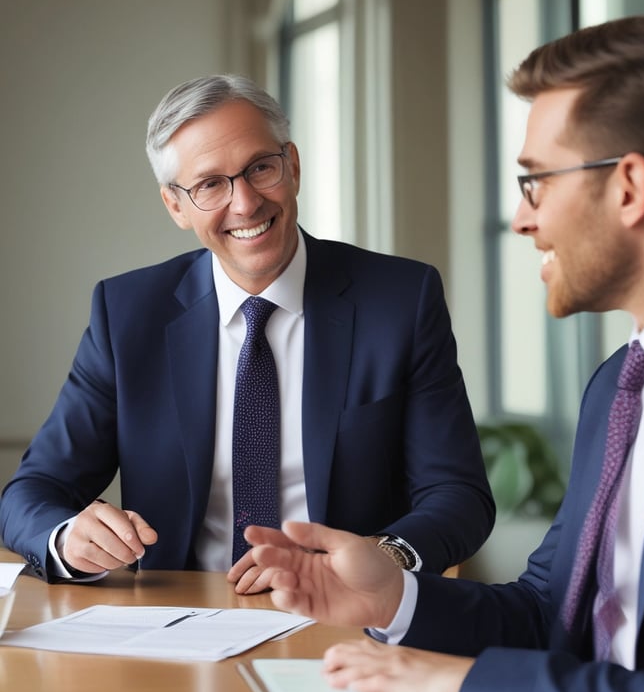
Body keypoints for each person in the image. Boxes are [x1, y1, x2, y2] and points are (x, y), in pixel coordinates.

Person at [242, 15, 644, 692]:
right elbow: (549, 614)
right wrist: (392, 596)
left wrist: (460, 683)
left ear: (629, 186)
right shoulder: (622, 382)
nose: (522, 216)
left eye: (536, 180)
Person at [0, 75, 494, 592]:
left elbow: (458, 496)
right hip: (174, 624)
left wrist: (380, 556)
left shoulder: (400, 300)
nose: (245, 203)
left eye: (261, 168)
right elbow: (33, 491)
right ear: (175, 206)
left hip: (344, 617)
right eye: (211, 184)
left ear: (293, 166)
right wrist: (66, 540)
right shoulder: (127, 314)